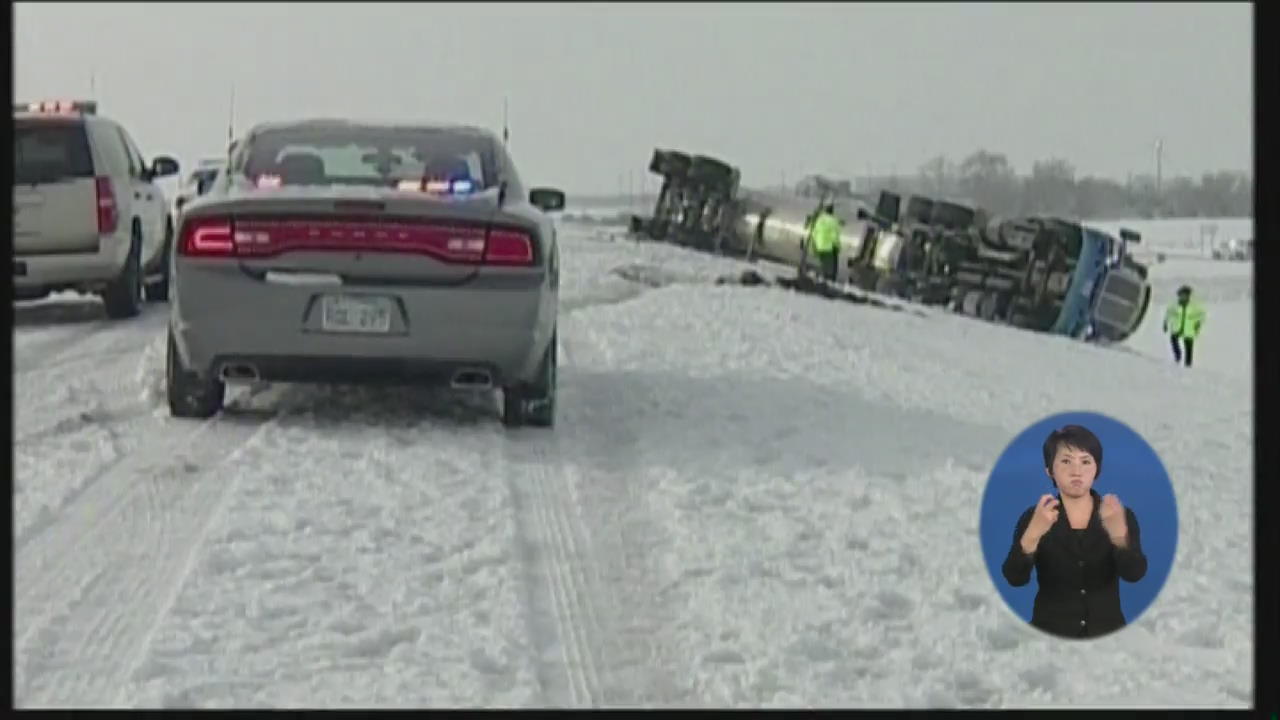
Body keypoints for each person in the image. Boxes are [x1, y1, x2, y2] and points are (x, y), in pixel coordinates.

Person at [1001, 424, 1148, 639]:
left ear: (1097, 469)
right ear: (1049, 470)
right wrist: (1032, 535)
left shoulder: (1119, 514)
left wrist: (1118, 535)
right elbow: (1015, 578)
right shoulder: (1035, 517)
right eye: (1066, 461)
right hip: (1049, 635)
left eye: (1086, 461)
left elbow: (1134, 574)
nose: (1076, 471)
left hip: (1108, 636)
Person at [1162, 285, 1206, 367]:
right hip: (1177, 328)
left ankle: (1188, 365)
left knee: (1189, 348)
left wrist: (1198, 323)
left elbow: (1202, 315)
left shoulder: (1194, 306)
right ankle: (1177, 356)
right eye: (1182, 295)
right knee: (1173, 340)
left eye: (1185, 295)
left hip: (1189, 330)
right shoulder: (1174, 306)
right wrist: (1165, 323)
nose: (1183, 297)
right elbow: (1168, 314)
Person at [807, 203, 843, 281]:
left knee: (824, 265)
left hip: (819, 246)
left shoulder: (819, 219)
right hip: (828, 247)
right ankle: (828, 281)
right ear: (832, 211)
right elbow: (834, 236)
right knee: (830, 268)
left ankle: (822, 278)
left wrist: (814, 246)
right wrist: (838, 247)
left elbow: (813, 233)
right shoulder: (834, 221)